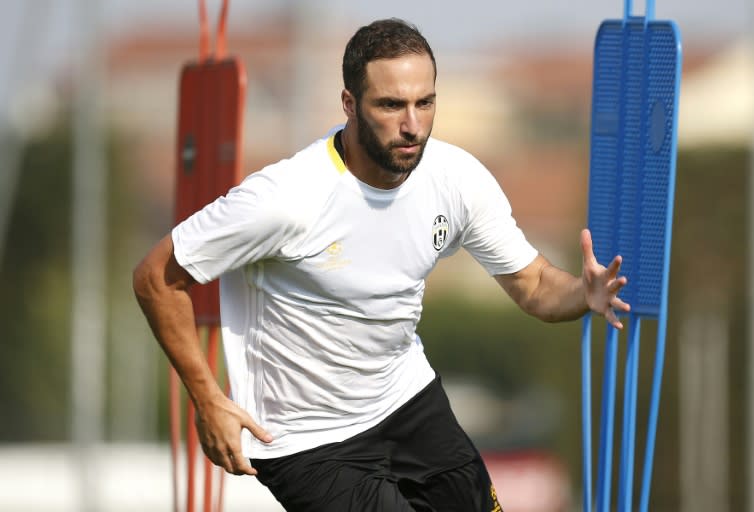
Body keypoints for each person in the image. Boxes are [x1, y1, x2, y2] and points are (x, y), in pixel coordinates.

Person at [133, 18, 630, 512]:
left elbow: (534, 282)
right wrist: (208, 399)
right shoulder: (284, 199)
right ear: (349, 104)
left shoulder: (456, 180)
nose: (412, 124)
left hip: (407, 401)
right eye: (391, 105)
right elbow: (156, 277)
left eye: (425, 103)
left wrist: (584, 295)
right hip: (308, 442)